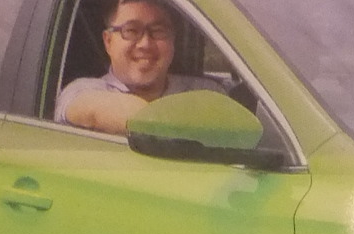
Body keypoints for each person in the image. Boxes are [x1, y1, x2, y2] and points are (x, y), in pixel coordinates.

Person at [54, 0, 225, 134]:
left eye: (158, 31)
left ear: (173, 40)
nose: (145, 44)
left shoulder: (204, 90)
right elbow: (93, 110)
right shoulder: (83, 90)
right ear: (108, 41)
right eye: (131, 30)